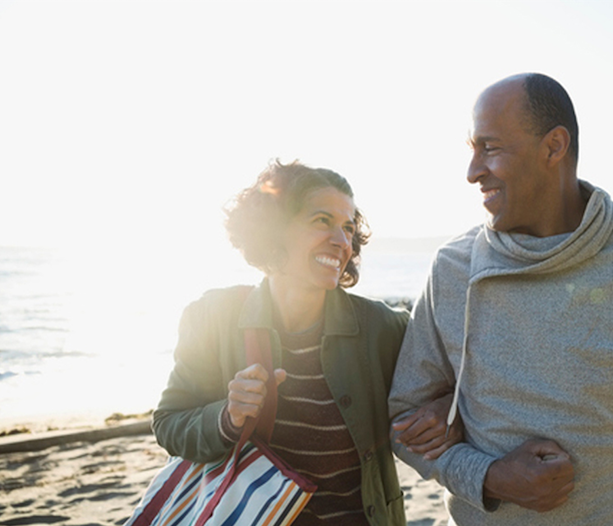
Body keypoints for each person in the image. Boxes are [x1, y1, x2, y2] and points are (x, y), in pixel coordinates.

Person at [387, 73, 613, 526]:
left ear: (554, 147)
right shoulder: (453, 268)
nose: (473, 171)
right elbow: (405, 422)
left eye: (490, 148)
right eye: (472, 149)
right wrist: (490, 476)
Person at [152, 160, 458, 526]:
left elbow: (458, 379)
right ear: (274, 229)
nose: (342, 241)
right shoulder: (212, 317)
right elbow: (170, 423)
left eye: (348, 228)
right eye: (321, 221)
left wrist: (444, 407)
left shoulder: (382, 328)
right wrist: (227, 417)